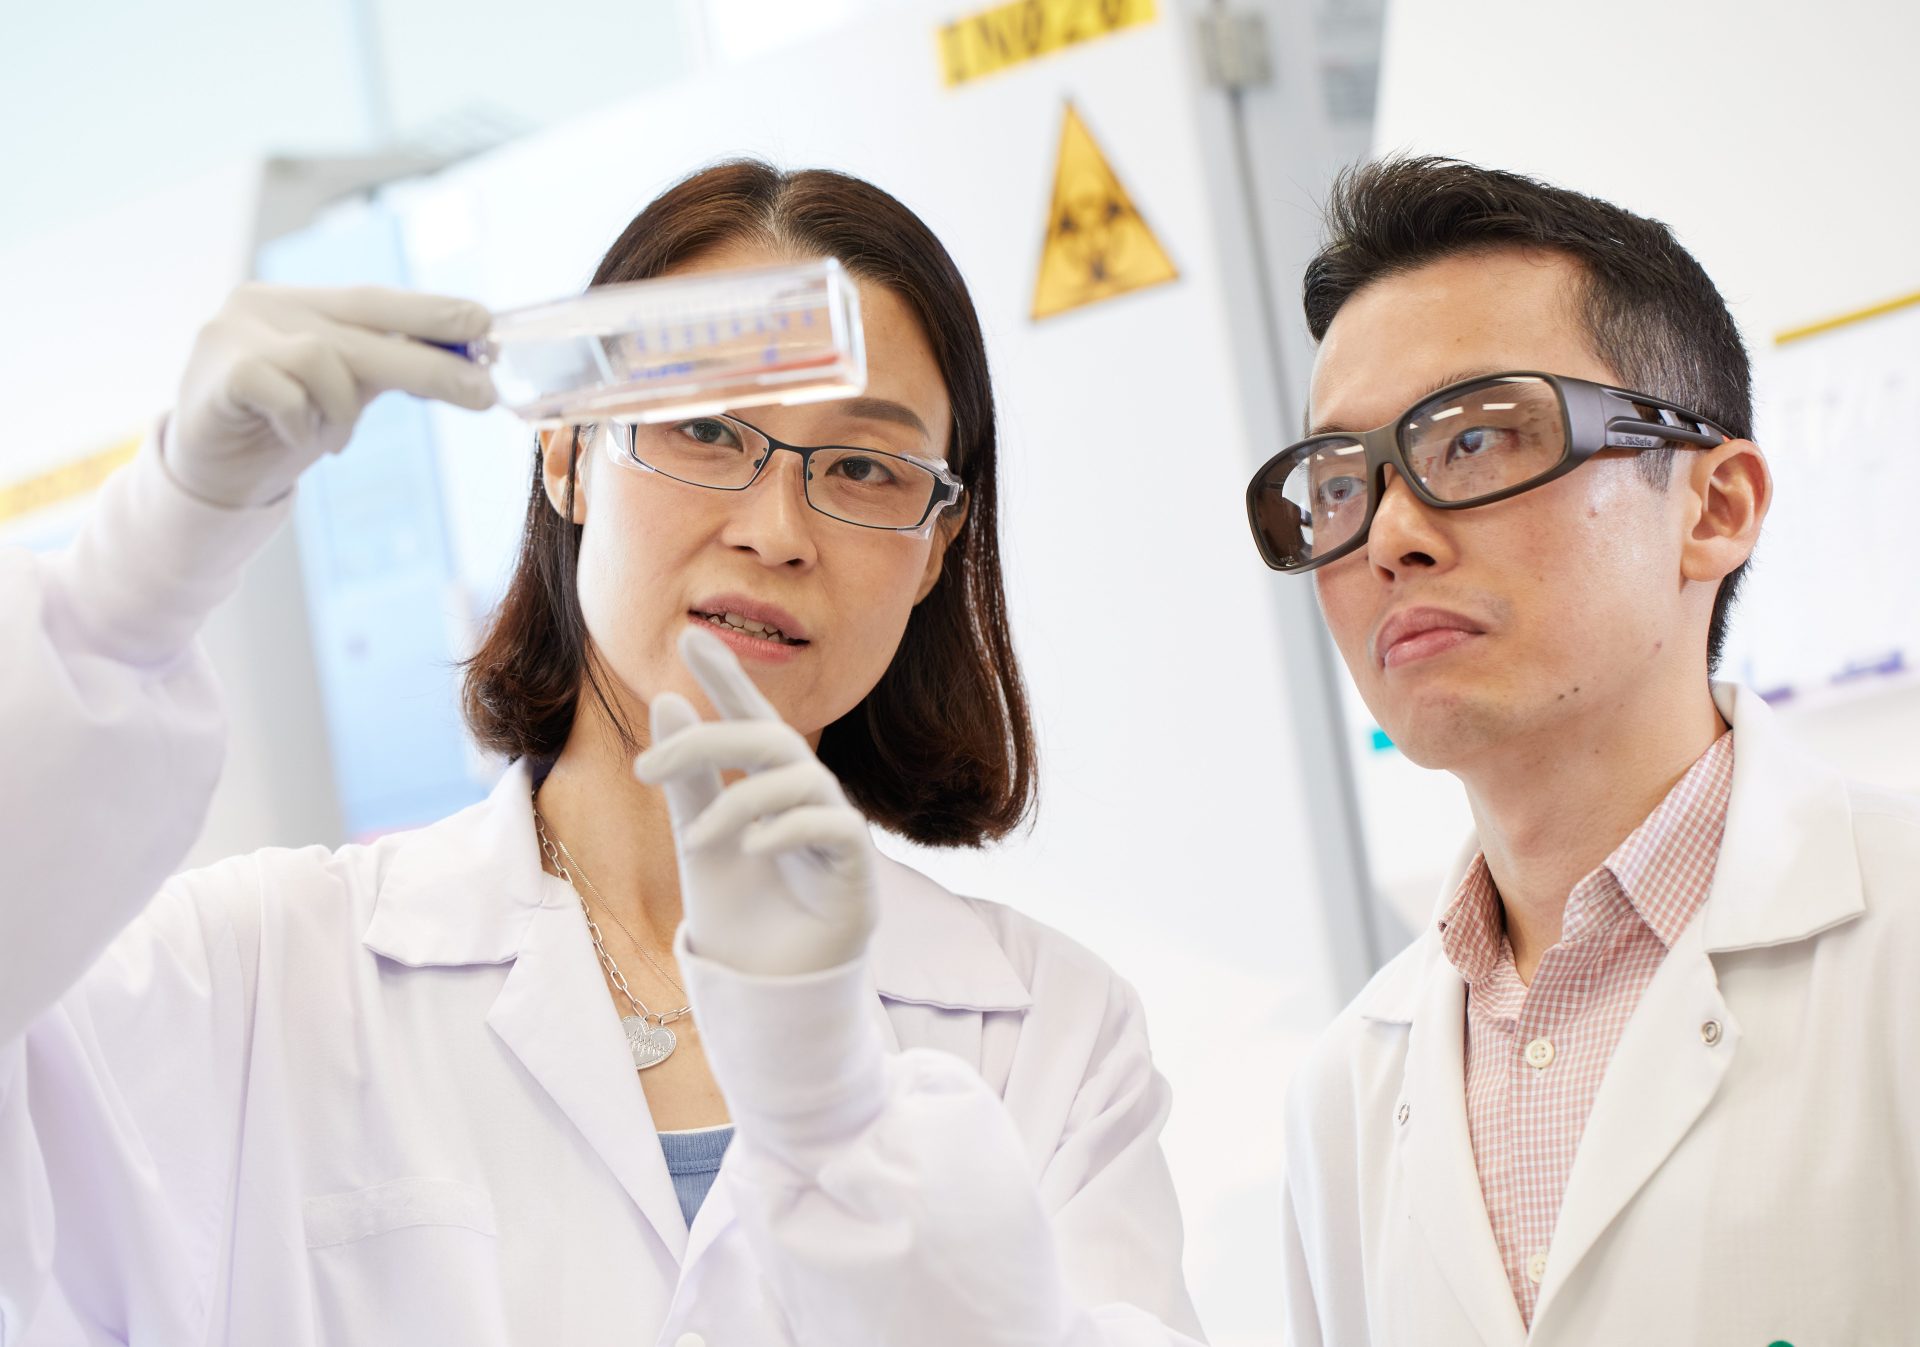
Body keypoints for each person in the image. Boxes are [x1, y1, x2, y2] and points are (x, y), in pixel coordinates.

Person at [0, 161, 1203, 1346]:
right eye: (705, 430)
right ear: (568, 455)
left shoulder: (1052, 1035)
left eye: (861, 468)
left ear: (936, 550)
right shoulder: (262, 975)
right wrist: (131, 588)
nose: (776, 529)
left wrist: (836, 1106)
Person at [1254, 157, 1920, 1345]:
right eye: (1342, 483)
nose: (1392, 536)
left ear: (1713, 508)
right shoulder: (1345, 1094)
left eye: (1476, 443)